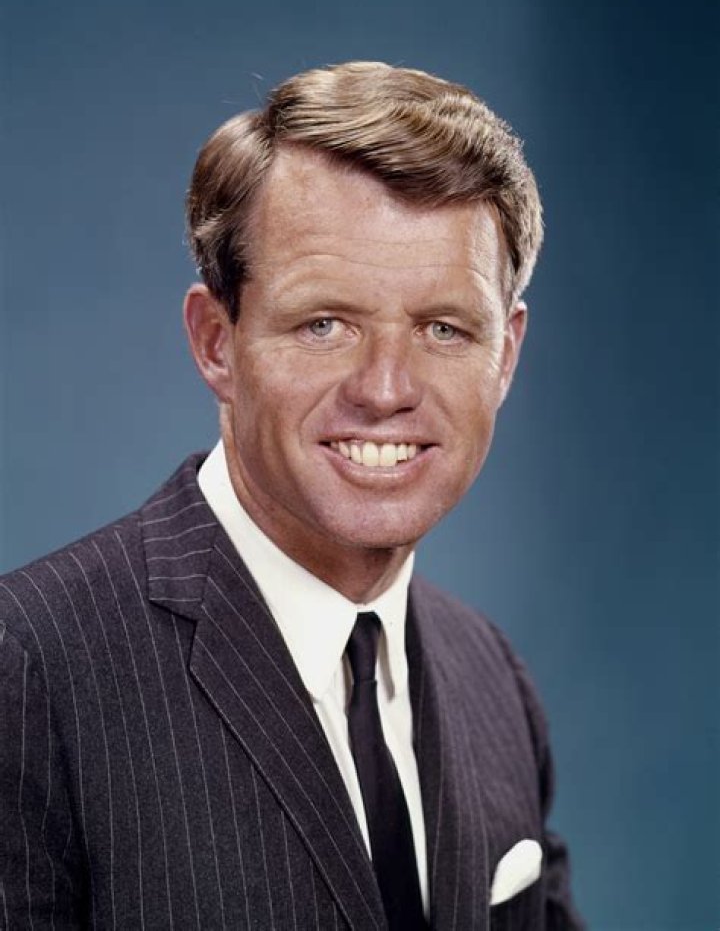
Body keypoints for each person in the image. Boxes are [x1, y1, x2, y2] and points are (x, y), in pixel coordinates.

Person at [0, 61, 584, 929]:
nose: (386, 388)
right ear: (216, 342)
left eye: (444, 328)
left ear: (505, 356)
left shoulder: (492, 678)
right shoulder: (29, 667)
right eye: (325, 324)